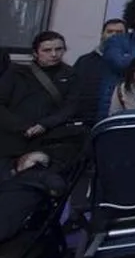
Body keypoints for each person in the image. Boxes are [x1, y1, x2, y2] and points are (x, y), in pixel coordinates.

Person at [0, 31, 89, 167]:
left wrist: (45, 124)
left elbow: (71, 106)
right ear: (35, 53)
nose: (54, 54)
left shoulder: (71, 75)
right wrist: (21, 127)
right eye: (47, 50)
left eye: (59, 49)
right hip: (13, 140)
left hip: (49, 140)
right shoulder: (16, 73)